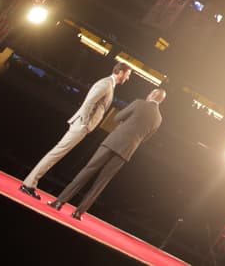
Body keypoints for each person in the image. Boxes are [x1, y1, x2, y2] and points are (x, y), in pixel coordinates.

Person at [19, 62, 131, 199]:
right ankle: (29, 184)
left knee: (56, 154)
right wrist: (85, 124)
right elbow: (89, 102)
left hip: (81, 126)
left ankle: (30, 183)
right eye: (127, 74)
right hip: (80, 125)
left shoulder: (109, 84)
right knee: (55, 154)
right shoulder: (106, 84)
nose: (127, 78)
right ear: (120, 72)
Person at [49, 88, 165, 220]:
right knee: (102, 182)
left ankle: (59, 202)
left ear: (153, 94)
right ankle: (78, 213)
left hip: (112, 142)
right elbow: (144, 139)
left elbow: (117, 117)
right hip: (126, 151)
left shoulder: (139, 103)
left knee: (88, 170)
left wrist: (125, 124)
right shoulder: (159, 119)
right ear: (161, 100)